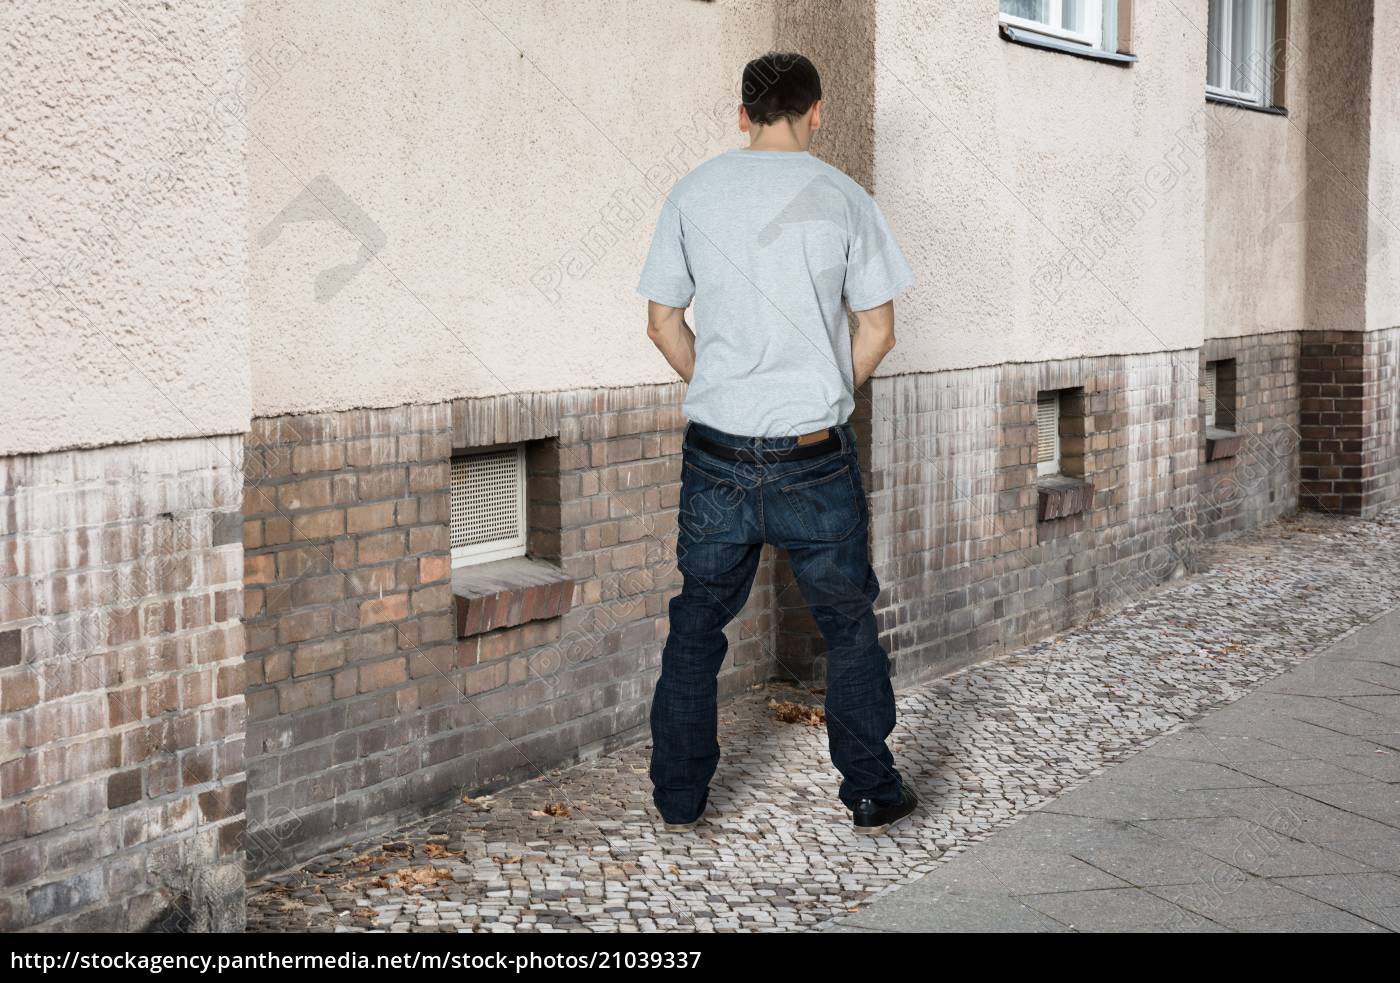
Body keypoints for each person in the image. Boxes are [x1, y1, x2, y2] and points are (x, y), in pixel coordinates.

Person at [637, 52, 917, 835]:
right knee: (849, 624)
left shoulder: (693, 193)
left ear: (742, 114)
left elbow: (661, 322)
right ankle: (869, 788)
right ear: (816, 112)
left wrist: (723, 389)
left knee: (697, 621)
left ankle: (679, 798)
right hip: (813, 453)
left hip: (718, 452)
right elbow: (880, 329)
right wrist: (822, 388)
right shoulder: (847, 199)